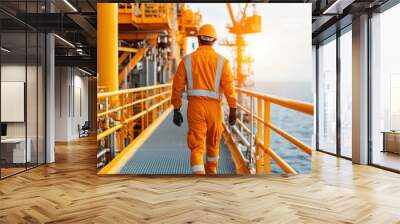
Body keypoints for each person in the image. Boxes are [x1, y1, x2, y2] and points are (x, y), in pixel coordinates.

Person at [171, 24, 237, 175]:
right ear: (214, 41)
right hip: (215, 110)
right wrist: (233, 109)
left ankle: (199, 179)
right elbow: (229, 88)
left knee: (197, 147)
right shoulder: (223, 62)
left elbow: (177, 86)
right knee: (213, 144)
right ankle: (211, 174)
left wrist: (176, 108)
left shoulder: (187, 61)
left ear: (198, 39)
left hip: (195, 108)